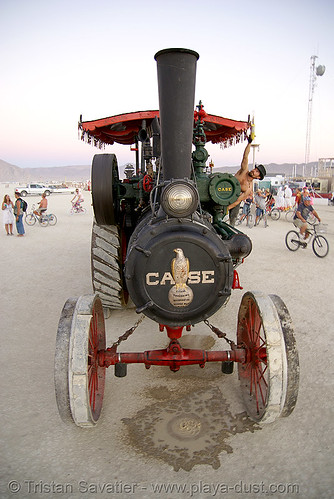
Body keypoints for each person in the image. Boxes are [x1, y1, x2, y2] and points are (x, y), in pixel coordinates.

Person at [228, 137, 266, 226]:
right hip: (225, 192)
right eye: (255, 169)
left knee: (232, 220)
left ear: (258, 177)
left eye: (257, 171)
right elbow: (245, 156)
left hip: (233, 201)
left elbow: (238, 201)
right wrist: (249, 143)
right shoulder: (244, 170)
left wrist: (227, 208)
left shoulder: (249, 188)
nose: (253, 171)